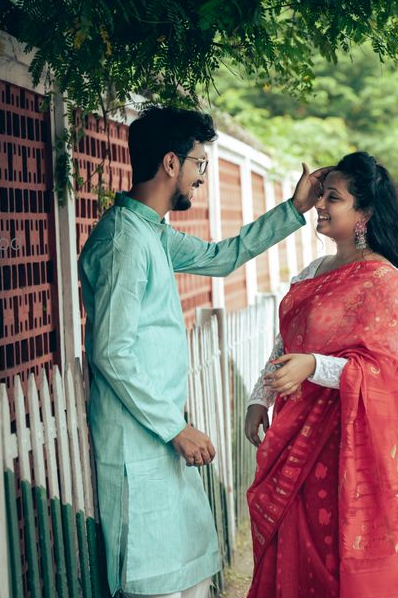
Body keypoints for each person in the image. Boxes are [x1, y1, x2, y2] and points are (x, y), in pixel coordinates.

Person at [78, 105, 329, 598]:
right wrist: (176, 428)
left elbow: (222, 257)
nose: (200, 177)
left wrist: (295, 209)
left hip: (161, 435)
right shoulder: (124, 242)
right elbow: (111, 351)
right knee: (154, 586)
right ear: (171, 163)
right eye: (199, 164)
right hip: (139, 440)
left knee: (189, 581)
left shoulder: (149, 230)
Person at [242, 152, 398, 598]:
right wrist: (260, 396)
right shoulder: (314, 272)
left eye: (333, 197)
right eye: (321, 195)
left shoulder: (383, 280)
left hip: (343, 446)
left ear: (364, 213)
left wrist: (313, 366)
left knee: (334, 561)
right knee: (292, 551)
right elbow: (287, 342)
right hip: (296, 436)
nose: (321, 205)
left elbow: (384, 372)